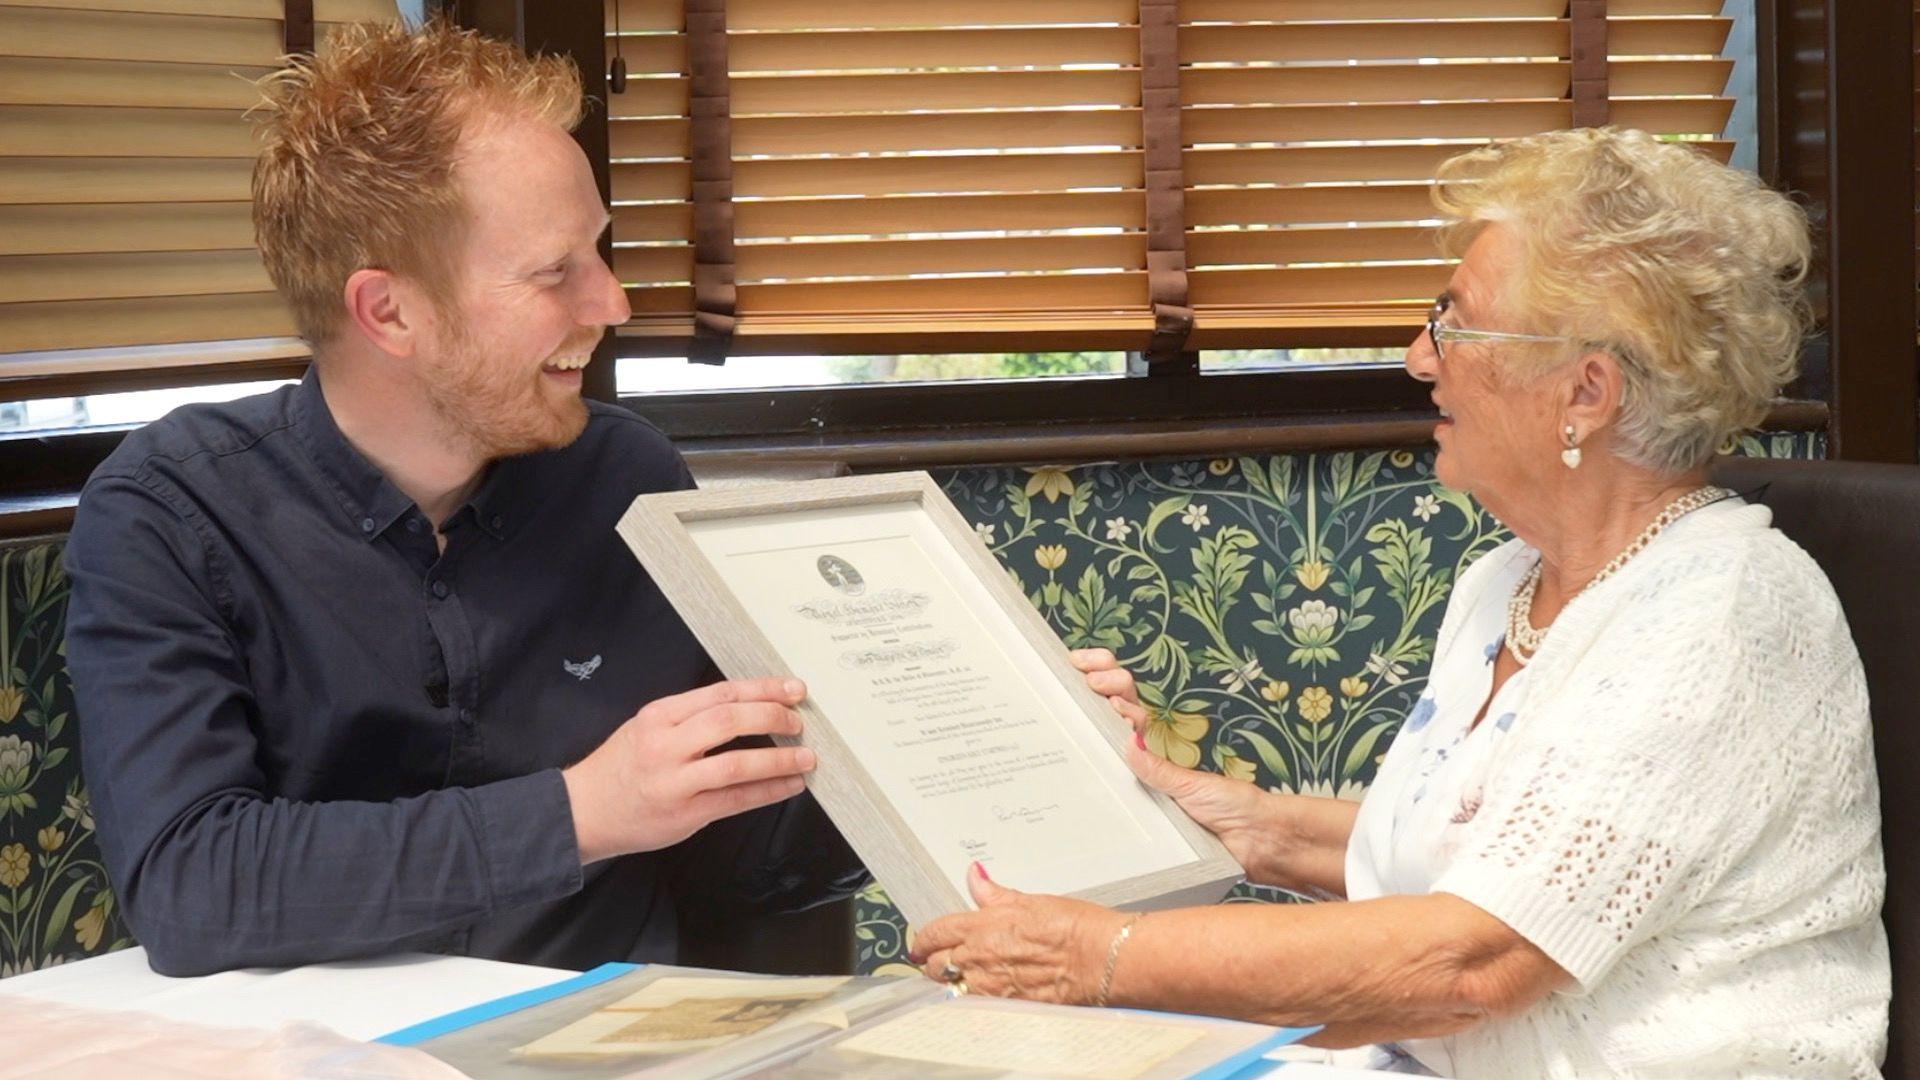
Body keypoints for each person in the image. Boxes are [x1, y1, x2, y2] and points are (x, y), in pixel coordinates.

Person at [910, 127, 1891, 1077]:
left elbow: (1473, 961)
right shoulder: (1506, 580)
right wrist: (1248, 826)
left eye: (1454, 322)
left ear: (1584, 394)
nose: (1421, 357)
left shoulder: (1718, 621)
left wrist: (1103, 960)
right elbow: (1491, 854)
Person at [63, 21, 867, 977]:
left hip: (627, 1039)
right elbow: (192, 884)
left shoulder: (629, 479)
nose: (612, 305)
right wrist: (576, 815)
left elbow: (739, 860)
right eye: (555, 271)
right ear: (389, 312)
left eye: (599, 254)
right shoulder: (169, 515)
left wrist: (970, 734)